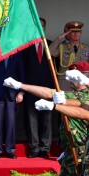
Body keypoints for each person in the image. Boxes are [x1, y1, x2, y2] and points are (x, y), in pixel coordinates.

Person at [4, 62, 89, 176]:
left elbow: (50, 93)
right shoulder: (73, 95)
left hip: (84, 157)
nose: (69, 80)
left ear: (81, 78)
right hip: (70, 155)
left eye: (72, 77)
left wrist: (21, 85)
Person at [23, 17, 54, 158]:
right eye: (37, 25)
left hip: (48, 88)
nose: (40, 28)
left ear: (45, 28)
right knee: (32, 119)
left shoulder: (51, 45)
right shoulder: (25, 46)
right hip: (30, 87)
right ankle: (34, 147)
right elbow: (22, 68)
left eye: (42, 25)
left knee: (47, 119)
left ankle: (45, 148)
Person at [0, 52, 25, 159]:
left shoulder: (17, 55)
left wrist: (21, 92)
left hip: (12, 93)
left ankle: (10, 149)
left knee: (11, 122)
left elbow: (21, 73)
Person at [49, 21, 89, 91]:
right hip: (65, 81)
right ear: (68, 34)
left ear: (81, 33)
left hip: (81, 81)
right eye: (73, 32)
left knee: (79, 101)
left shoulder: (87, 48)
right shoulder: (62, 47)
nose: (76, 34)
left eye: (78, 32)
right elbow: (49, 52)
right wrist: (60, 38)